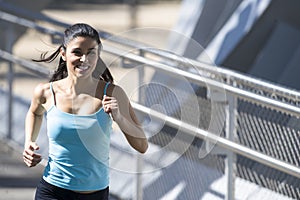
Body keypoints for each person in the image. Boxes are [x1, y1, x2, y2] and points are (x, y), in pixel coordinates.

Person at [22, 23, 148, 200]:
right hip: (52, 191)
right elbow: (35, 112)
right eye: (77, 52)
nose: (84, 59)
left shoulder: (112, 93)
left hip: (95, 194)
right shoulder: (46, 92)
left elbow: (142, 146)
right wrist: (29, 142)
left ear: (98, 55)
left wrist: (119, 118)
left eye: (91, 52)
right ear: (63, 54)